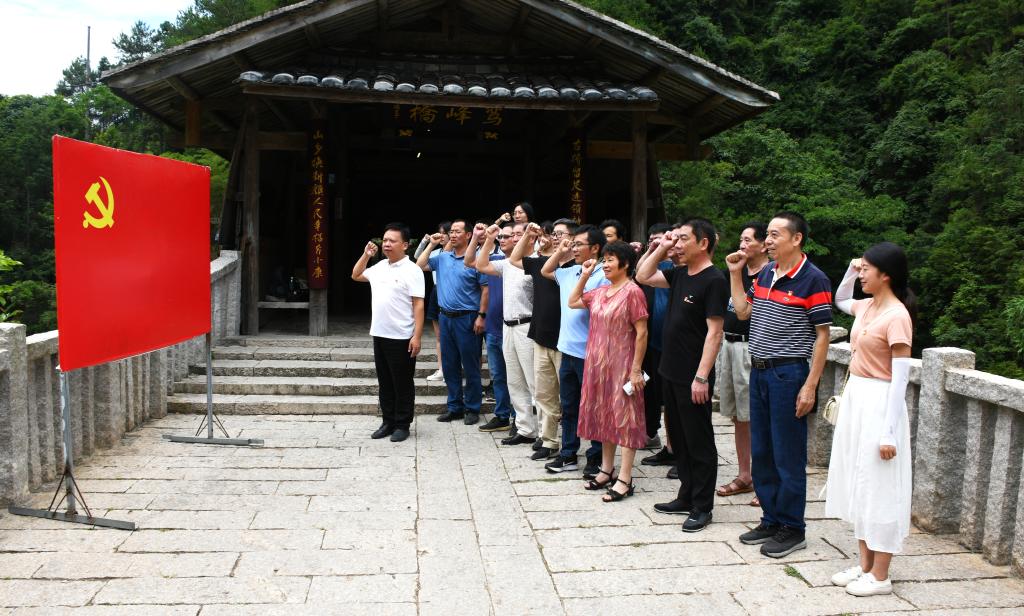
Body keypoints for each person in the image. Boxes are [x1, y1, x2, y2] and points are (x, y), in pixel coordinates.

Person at [726, 211, 833, 558]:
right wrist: (735, 273)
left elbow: (822, 336)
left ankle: (793, 527)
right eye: (768, 235)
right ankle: (771, 518)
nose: (768, 241)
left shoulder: (813, 279)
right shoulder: (767, 273)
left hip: (789, 374)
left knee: (787, 455)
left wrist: (810, 386)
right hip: (758, 370)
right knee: (763, 451)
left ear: (796, 238)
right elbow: (743, 312)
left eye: (775, 235)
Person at [826, 242, 915, 597]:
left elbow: (900, 379)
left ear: (886, 275)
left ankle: (881, 574)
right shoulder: (866, 306)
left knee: (880, 486)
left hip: (880, 401)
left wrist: (889, 432)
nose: (861, 275)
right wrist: (851, 270)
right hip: (857, 398)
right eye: (860, 269)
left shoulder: (897, 316)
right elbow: (840, 298)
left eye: (866, 269)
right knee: (860, 482)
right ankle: (864, 565)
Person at [638, 219, 728, 532]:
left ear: (703, 243)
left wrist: (702, 377)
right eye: (675, 239)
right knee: (680, 438)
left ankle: (703, 506)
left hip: (693, 375)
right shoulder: (679, 274)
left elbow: (715, 333)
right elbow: (643, 275)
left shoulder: (714, 280)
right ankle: (686, 495)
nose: (677, 244)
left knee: (699, 440)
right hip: (670, 369)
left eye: (683, 239)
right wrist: (660, 246)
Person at [569, 242, 649, 501]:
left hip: (623, 366)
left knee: (625, 418)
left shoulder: (633, 292)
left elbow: (642, 333)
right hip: (597, 366)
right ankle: (606, 470)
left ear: (625, 264)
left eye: (610, 259)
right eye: (604, 259)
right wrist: (584, 275)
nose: (605, 264)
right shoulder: (601, 291)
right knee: (605, 415)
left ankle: (625, 478)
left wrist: (636, 370)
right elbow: (572, 301)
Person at [541, 224, 608, 475]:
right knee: (569, 406)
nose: (574, 248)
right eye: (574, 243)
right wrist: (560, 251)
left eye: (579, 244)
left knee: (594, 407)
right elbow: (546, 270)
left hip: (590, 353)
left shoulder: (603, 275)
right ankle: (568, 453)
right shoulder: (570, 271)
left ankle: (596, 456)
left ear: (596, 248)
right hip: (567, 349)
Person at [351, 223, 425, 442]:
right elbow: (356, 275)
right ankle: (388, 421)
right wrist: (366, 255)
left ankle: (402, 424)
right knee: (385, 382)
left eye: (392, 240)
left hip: (402, 336)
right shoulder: (380, 266)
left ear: (405, 245)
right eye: (384, 240)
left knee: (402, 382)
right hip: (380, 333)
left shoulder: (412, 270)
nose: (387, 244)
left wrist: (417, 336)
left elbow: (418, 305)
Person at [715, 222, 769, 507]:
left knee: (757, 416)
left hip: (753, 348)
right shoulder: (734, 271)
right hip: (729, 344)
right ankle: (744, 475)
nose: (742, 245)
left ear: (763, 245)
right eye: (741, 240)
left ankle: (765, 480)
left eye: (748, 240)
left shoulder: (770, 275)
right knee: (738, 416)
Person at [416, 219, 489, 425]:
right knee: (449, 365)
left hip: (468, 317)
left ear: (468, 235)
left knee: (471, 365)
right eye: (451, 232)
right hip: (445, 317)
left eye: (458, 231)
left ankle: (472, 407)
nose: (453, 234)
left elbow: (485, 290)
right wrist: (432, 244)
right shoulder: (442, 257)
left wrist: (481, 316)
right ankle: (454, 406)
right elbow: (419, 265)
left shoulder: (475, 260)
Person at [472, 222, 538, 445]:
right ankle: (525, 429)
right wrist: (489, 239)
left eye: (520, 234)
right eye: (512, 235)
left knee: (534, 382)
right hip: (507, 326)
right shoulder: (507, 263)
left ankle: (545, 434)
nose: (514, 238)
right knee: (515, 381)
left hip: (527, 326)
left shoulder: (537, 262)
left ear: (530, 238)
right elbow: (481, 265)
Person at [511, 219, 570, 461]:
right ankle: (549, 440)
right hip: (541, 337)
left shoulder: (578, 268)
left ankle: (570, 443)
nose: (555, 237)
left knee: (567, 396)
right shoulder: (541, 263)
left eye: (561, 234)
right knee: (545, 394)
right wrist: (527, 235)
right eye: (554, 233)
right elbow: (515, 259)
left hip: (566, 341)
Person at [465, 222, 515, 433]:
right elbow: (469, 261)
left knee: (517, 378)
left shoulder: (526, 263)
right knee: (498, 377)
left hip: (515, 329)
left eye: (506, 236)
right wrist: (481, 238)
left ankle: (520, 420)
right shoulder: (495, 261)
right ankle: (502, 415)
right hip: (494, 329)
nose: (502, 240)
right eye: (500, 237)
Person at [635, 223, 674, 451]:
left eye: (660, 239)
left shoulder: (675, 266)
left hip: (668, 341)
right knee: (648, 389)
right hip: (649, 339)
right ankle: (650, 433)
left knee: (668, 396)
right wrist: (652, 250)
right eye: (651, 239)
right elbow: (639, 274)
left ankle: (672, 446)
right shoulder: (651, 265)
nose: (656, 243)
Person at [414, 221, 451, 382]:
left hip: (452, 290)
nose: (441, 236)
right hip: (437, 291)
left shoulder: (459, 252)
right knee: (439, 336)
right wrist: (426, 241)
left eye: (445, 233)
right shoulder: (436, 252)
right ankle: (442, 369)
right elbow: (418, 259)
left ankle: (453, 369)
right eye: (440, 232)